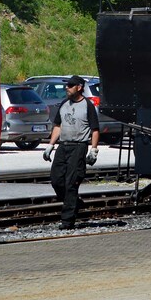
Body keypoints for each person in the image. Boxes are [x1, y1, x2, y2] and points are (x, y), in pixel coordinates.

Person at [43, 75, 101, 230]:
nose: (67, 88)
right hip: (63, 146)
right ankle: (74, 202)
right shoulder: (64, 104)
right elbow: (57, 126)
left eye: (70, 85)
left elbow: (95, 130)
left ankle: (67, 221)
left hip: (78, 147)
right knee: (56, 180)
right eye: (67, 85)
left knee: (71, 184)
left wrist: (94, 149)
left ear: (79, 87)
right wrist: (50, 145)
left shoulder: (87, 105)